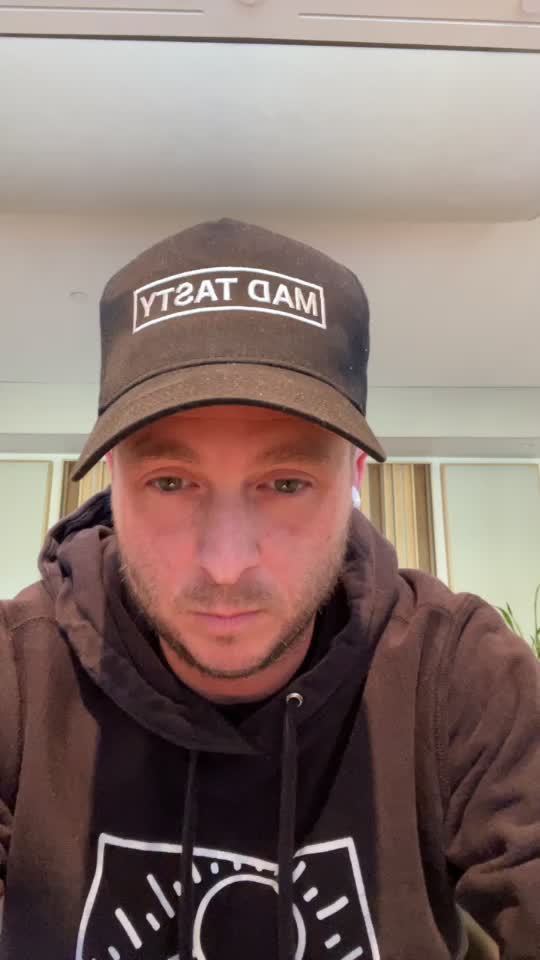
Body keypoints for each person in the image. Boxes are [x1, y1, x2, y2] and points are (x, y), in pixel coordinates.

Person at [0, 219, 538, 960]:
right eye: (171, 482)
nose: (226, 565)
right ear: (113, 480)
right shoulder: (17, 679)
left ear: (353, 480)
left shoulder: (458, 677)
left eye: (286, 483)